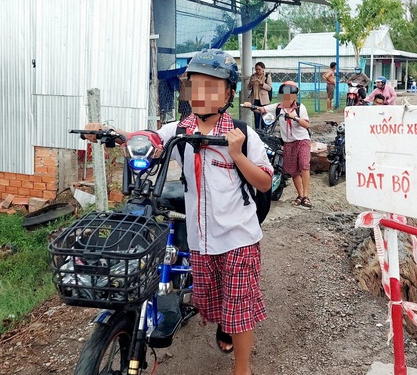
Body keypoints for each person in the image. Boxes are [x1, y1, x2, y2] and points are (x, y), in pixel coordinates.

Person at [85, 49, 272, 375]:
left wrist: (237, 154)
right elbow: (149, 139)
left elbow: (265, 182)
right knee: (211, 303)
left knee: (239, 308)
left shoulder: (242, 132)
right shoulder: (180, 130)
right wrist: (112, 134)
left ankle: (242, 369)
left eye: (212, 87)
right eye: (196, 87)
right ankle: (224, 323)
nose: (202, 95)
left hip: (238, 235)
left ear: (228, 93)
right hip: (201, 239)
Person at [243, 81, 312, 209]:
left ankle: (306, 196)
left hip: (302, 140)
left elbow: (306, 124)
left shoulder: (300, 107)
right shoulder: (277, 107)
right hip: (288, 142)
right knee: (293, 170)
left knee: (304, 165)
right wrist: (250, 106)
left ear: (295, 97)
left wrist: (294, 117)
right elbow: (262, 110)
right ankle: (300, 195)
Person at [247, 61, 273, 129]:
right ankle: (258, 130)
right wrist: (251, 84)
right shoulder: (253, 76)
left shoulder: (267, 76)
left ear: (263, 69)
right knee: (256, 116)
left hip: (264, 100)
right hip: (255, 99)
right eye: (256, 69)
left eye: (259, 69)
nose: (258, 71)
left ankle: (265, 130)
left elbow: (269, 88)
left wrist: (262, 84)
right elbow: (248, 88)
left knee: (264, 116)